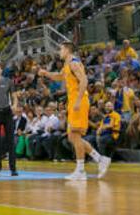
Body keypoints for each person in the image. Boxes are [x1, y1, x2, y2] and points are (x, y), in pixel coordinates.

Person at [38, 42, 110, 180]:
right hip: (73, 102)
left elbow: (84, 81)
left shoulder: (74, 63)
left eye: (61, 49)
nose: (59, 51)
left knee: (75, 136)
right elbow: (60, 76)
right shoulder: (67, 64)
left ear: (67, 49)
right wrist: (46, 73)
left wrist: (77, 101)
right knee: (72, 136)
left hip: (79, 101)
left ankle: (82, 170)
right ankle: (100, 160)